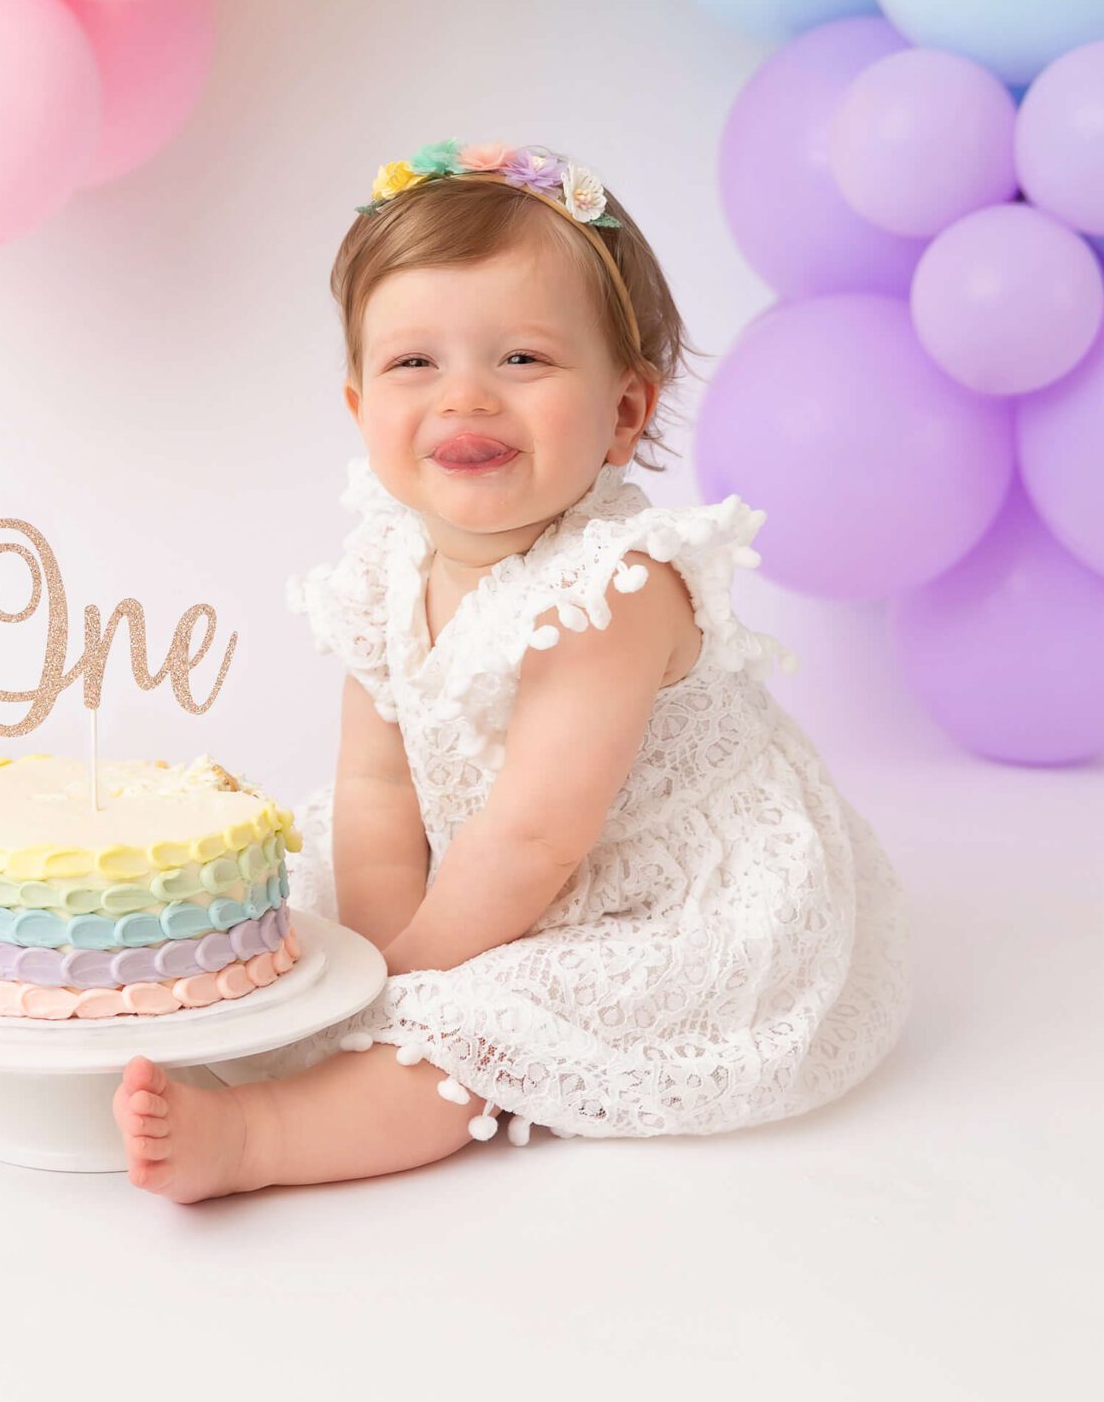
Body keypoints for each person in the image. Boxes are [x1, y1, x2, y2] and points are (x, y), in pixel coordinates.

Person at [114, 139, 910, 1202]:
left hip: (656, 893)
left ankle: (257, 1139)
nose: (466, 399)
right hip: (482, 863)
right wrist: (371, 956)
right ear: (358, 407)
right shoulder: (385, 567)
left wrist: (408, 985)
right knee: (288, 921)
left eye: (522, 360)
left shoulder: (611, 589)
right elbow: (377, 785)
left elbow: (538, 836)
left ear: (625, 412)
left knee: (472, 1035)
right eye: (414, 364)